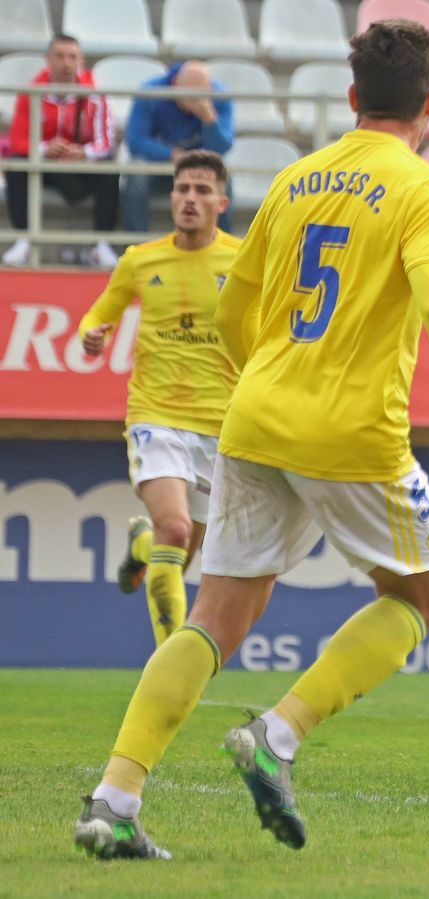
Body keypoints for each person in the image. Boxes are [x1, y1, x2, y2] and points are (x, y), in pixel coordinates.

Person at [72, 19, 429, 860]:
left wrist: (265, 382)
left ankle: (114, 798)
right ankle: (276, 736)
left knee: (212, 617)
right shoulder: (428, 188)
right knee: (422, 598)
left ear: (352, 99)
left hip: (252, 418)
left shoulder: (293, 180)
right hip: (353, 434)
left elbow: (235, 310)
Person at [76, 150, 239, 648]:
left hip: (222, 425)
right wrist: (91, 334)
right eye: (183, 189)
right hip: (156, 415)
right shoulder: (140, 260)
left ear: (221, 202)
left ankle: (142, 545)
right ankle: (171, 662)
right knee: (173, 527)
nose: (190, 199)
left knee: (182, 547)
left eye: (202, 191)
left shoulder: (245, 260)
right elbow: (98, 313)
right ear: (171, 197)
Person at [2, 34, 118, 269]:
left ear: (81, 60)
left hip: (80, 167)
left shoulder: (94, 95)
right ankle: (25, 239)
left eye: (72, 57)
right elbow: (17, 140)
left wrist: (83, 153)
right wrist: (45, 149)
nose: (66, 63)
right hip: (45, 165)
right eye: (60, 56)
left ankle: (101, 244)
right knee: (16, 165)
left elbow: (105, 142)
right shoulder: (31, 93)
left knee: (111, 170)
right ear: (48, 59)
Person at [122, 61, 235, 236]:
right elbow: (135, 141)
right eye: (191, 95)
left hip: (200, 164)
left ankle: (224, 247)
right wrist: (172, 154)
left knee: (223, 177)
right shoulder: (151, 92)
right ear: (175, 84)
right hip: (160, 163)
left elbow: (222, 147)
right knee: (136, 174)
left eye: (202, 94)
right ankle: (135, 244)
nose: (197, 100)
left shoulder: (219, 97)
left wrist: (209, 120)